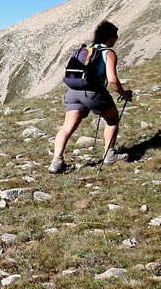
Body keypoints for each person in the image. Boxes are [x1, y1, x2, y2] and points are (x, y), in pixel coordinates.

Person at [51, 21, 134, 174]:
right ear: (110, 37)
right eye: (115, 37)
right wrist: (124, 94)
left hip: (73, 91)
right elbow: (113, 80)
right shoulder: (108, 53)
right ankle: (109, 155)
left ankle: (56, 162)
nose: (116, 40)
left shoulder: (85, 50)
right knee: (112, 120)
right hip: (93, 92)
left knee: (67, 128)